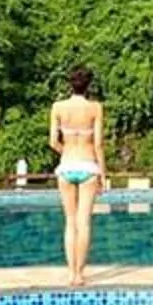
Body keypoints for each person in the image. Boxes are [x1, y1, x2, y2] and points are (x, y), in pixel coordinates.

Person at [49, 65, 106, 285]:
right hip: (88, 166)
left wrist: (68, 154)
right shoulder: (95, 108)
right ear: (88, 85)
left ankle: (70, 271)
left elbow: (53, 141)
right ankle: (80, 275)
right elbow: (98, 144)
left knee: (70, 221)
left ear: (70, 84)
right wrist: (102, 173)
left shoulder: (58, 107)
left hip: (66, 166)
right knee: (84, 222)